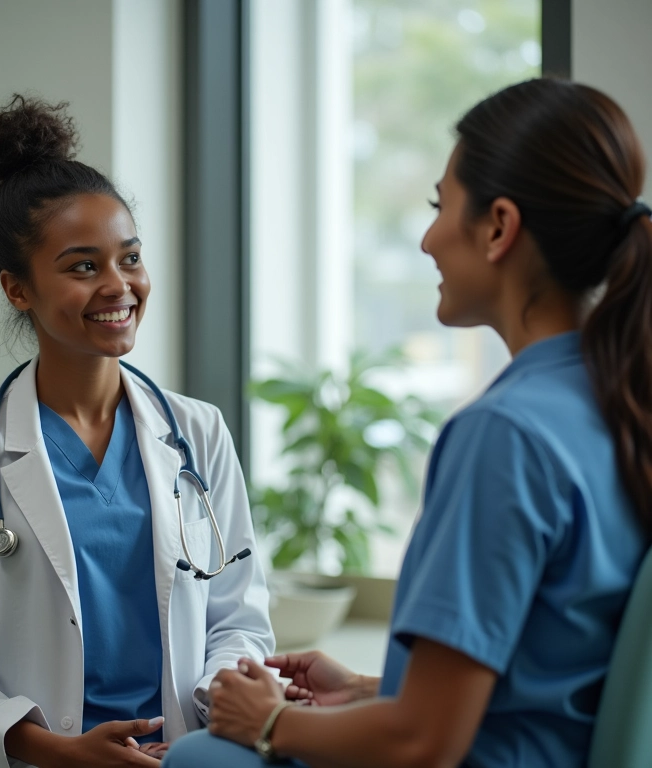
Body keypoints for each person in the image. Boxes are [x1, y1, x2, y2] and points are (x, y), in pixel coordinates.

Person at [162, 77, 652, 768]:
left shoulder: (506, 436)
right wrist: (372, 688)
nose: (426, 239)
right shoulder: (618, 398)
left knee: (200, 758)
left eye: (439, 206)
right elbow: (551, 676)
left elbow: (424, 743)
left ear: (499, 227)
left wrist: (268, 723)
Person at [0, 95, 274, 768]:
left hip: (178, 753)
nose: (119, 286)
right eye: (83, 267)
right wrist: (55, 749)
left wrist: (223, 694)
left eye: (129, 258)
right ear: (17, 289)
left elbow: (237, 618)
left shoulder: (198, 432)